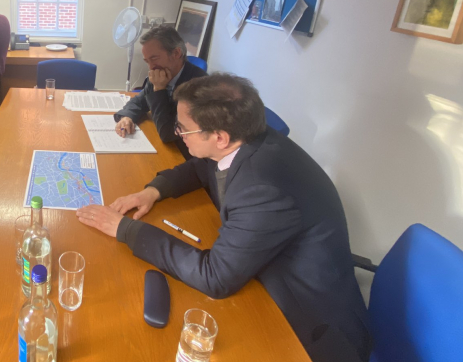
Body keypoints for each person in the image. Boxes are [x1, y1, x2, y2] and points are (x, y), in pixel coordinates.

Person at [79, 74, 372, 362]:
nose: (178, 134)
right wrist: (154, 191)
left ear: (219, 137)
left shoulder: (264, 188)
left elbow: (215, 276)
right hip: (267, 274)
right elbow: (202, 168)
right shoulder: (247, 138)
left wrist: (126, 230)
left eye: (182, 129)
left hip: (307, 326)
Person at [113, 26, 206, 159]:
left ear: (176, 53)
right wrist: (127, 117)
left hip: (183, 154)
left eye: (154, 58)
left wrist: (159, 90)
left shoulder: (199, 87)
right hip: (163, 147)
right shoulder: (161, 72)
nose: (151, 67)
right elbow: (139, 101)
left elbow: (167, 133)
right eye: (147, 61)